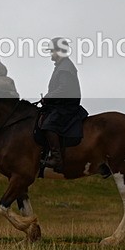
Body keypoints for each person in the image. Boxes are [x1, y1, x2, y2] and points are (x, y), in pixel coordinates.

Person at [39, 37, 83, 173]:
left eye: (52, 51)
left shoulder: (65, 67)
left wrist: (48, 97)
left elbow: (64, 89)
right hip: (60, 105)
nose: (51, 54)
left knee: (49, 125)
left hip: (66, 106)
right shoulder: (62, 66)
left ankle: (57, 159)